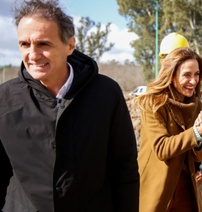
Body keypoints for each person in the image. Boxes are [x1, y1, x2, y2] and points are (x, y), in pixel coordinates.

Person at [0, 0, 139, 211]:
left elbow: (124, 168)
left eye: (43, 44)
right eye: (24, 44)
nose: (33, 55)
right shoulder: (4, 99)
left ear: (70, 45)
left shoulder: (106, 94)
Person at [137, 47, 202, 212]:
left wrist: (201, 135)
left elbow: (200, 155)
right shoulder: (153, 103)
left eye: (197, 74)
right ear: (171, 75)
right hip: (158, 190)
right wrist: (197, 132)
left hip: (185, 189)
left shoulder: (195, 103)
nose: (194, 81)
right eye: (187, 75)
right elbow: (162, 149)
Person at [159, 32, 202, 210]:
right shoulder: (157, 99)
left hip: (192, 173)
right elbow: (159, 145)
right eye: (166, 59)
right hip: (167, 175)